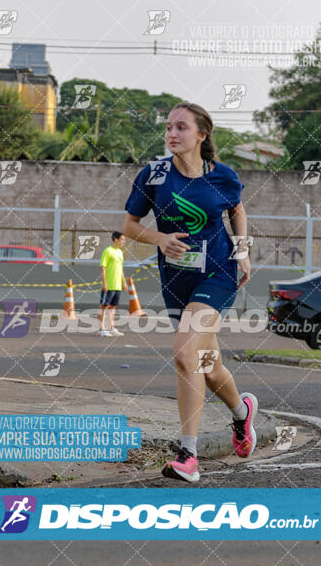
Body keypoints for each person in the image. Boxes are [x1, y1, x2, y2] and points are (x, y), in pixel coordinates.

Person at [123, 102, 257, 483]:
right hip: (176, 281)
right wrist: (160, 238)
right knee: (207, 366)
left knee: (184, 353)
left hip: (217, 276)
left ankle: (189, 455)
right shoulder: (154, 175)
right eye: (168, 127)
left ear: (202, 135)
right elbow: (130, 225)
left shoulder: (223, 177)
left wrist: (243, 251)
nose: (171, 133)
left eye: (181, 127)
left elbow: (237, 209)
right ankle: (243, 414)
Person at [97, 231, 128, 337]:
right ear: (116, 239)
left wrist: (124, 282)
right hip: (109, 285)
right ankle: (101, 329)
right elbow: (103, 267)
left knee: (112, 307)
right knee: (104, 306)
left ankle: (111, 328)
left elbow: (121, 269)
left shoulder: (120, 252)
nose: (124, 241)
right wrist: (104, 283)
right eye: (122, 239)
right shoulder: (107, 251)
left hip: (117, 285)